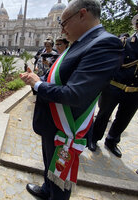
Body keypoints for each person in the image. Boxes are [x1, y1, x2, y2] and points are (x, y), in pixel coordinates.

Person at [20, 0, 123, 199]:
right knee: (49, 161)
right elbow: (58, 76)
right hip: (53, 122)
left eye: (64, 22)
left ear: (82, 14)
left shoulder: (105, 43)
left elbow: (75, 94)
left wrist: (38, 85)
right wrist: (38, 79)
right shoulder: (81, 42)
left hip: (67, 125)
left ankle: (55, 194)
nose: (62, 29)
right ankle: (47, 189)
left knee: (61, 173)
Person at [88, 14, 138, 158]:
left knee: (124, 118)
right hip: (114, 86)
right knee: (104, 115)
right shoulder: (124, 42)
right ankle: (93, 138)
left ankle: (112, 141)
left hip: (134, 91)